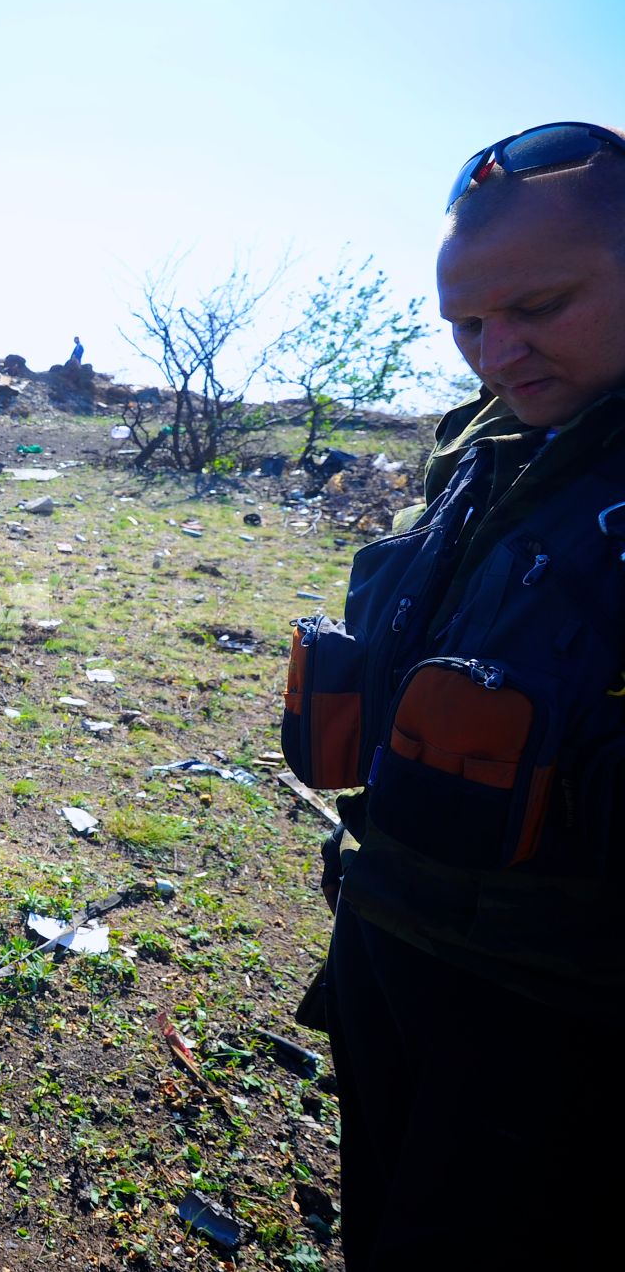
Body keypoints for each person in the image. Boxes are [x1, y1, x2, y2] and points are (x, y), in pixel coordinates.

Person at [307, 122, 625, 1269]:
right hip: (395, 936)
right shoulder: (487, 441)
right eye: (466, 324)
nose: (497, 350)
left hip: (554, 1014)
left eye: (540, 306)